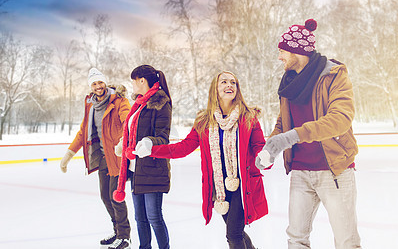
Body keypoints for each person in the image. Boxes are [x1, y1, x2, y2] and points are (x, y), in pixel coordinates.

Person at [133, 71, 271, 249]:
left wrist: (266, 157)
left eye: (233, 83)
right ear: (215, 88)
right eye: (224, 82)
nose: (229, 85)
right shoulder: (204, 121)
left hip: (242, 186)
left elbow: (260, 147)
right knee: (236, 231)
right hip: (219, 188)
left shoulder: (248, 118)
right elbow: (182, 148)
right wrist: (153, 150)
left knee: (233, 234)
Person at [259, 19, 362, 249]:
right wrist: (270, 148)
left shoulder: (334, 75)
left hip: (334, 170)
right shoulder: (289, 83)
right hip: (300, 172)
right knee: (296, 239)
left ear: (297, 51)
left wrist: (291, 136)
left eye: (283, 51)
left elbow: (340, 120)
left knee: (346, 241)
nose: (280, 57)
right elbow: (284, 122)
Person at [60, 68, 131, 249]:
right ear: (90, 87)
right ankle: (117, 231)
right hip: (102, 158)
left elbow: (128, 122)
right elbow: (83, 132)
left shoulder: (119, 101)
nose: (98, 86)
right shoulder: (91, 106)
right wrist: (69, 154)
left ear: (105, 83)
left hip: (117, 155)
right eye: (94, 83)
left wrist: (123, 142)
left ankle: (124, 237)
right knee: (105, 197)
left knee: (116, 196)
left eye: (100, 82)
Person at [113, 65, 172, 249]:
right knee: (140, 218)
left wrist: (148, 142)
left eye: (133, 80)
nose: (132, 85)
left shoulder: (161, 102)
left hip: (153, 169)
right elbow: (133, 132)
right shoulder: (139, 104)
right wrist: (124, 142)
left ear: (142, 80)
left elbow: (163, 136)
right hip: (135, 169)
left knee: (154, 216)